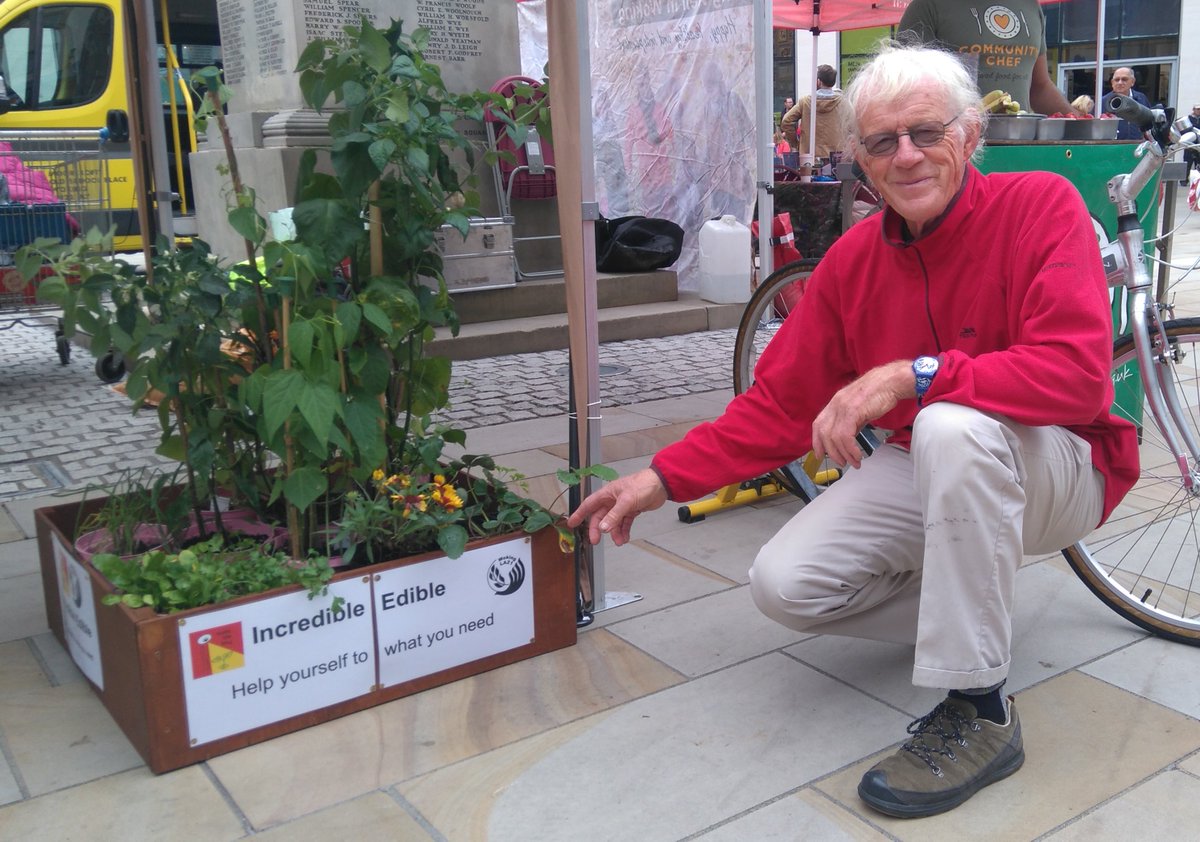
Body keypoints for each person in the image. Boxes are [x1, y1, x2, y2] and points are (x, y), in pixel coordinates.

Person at [568, 41, 1138, 819]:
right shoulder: (851, 264)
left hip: (1064, 463)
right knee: (786, 584)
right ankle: (971, 602)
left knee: (948, 424)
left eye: (925, 133)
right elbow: (775, 407)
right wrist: (659, 479)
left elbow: (1077, 376)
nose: (905, 156)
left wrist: (915, 375)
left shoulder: (1039, 205)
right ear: (861, 163)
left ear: (970, 137)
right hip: (938, 457)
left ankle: (980, 707)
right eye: (881, 142)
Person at [898, 0, 1072, 116]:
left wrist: (1078, 120)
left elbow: (1040, 88)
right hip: (957, 150)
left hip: (1019, 143)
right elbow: (905, 88)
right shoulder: (928, 6)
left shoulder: (1030, 6)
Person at [780, 65, 847, 158]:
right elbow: (854, 125)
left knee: (808, 172)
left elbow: (786, 121)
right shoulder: (843, 103)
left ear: (818, 82)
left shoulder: (805, 102)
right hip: (836, 156)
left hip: (809, 156)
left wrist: (796, 143)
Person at [1100, 67, 1151, 141]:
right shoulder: (1103, 102)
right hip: (1112, 147)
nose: (1120, 83)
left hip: (1138, 145)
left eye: (1124, 79)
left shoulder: (1141, 99)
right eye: (1117, 80)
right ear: (1112, 83)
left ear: (1132, 82)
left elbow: (1149, 122)